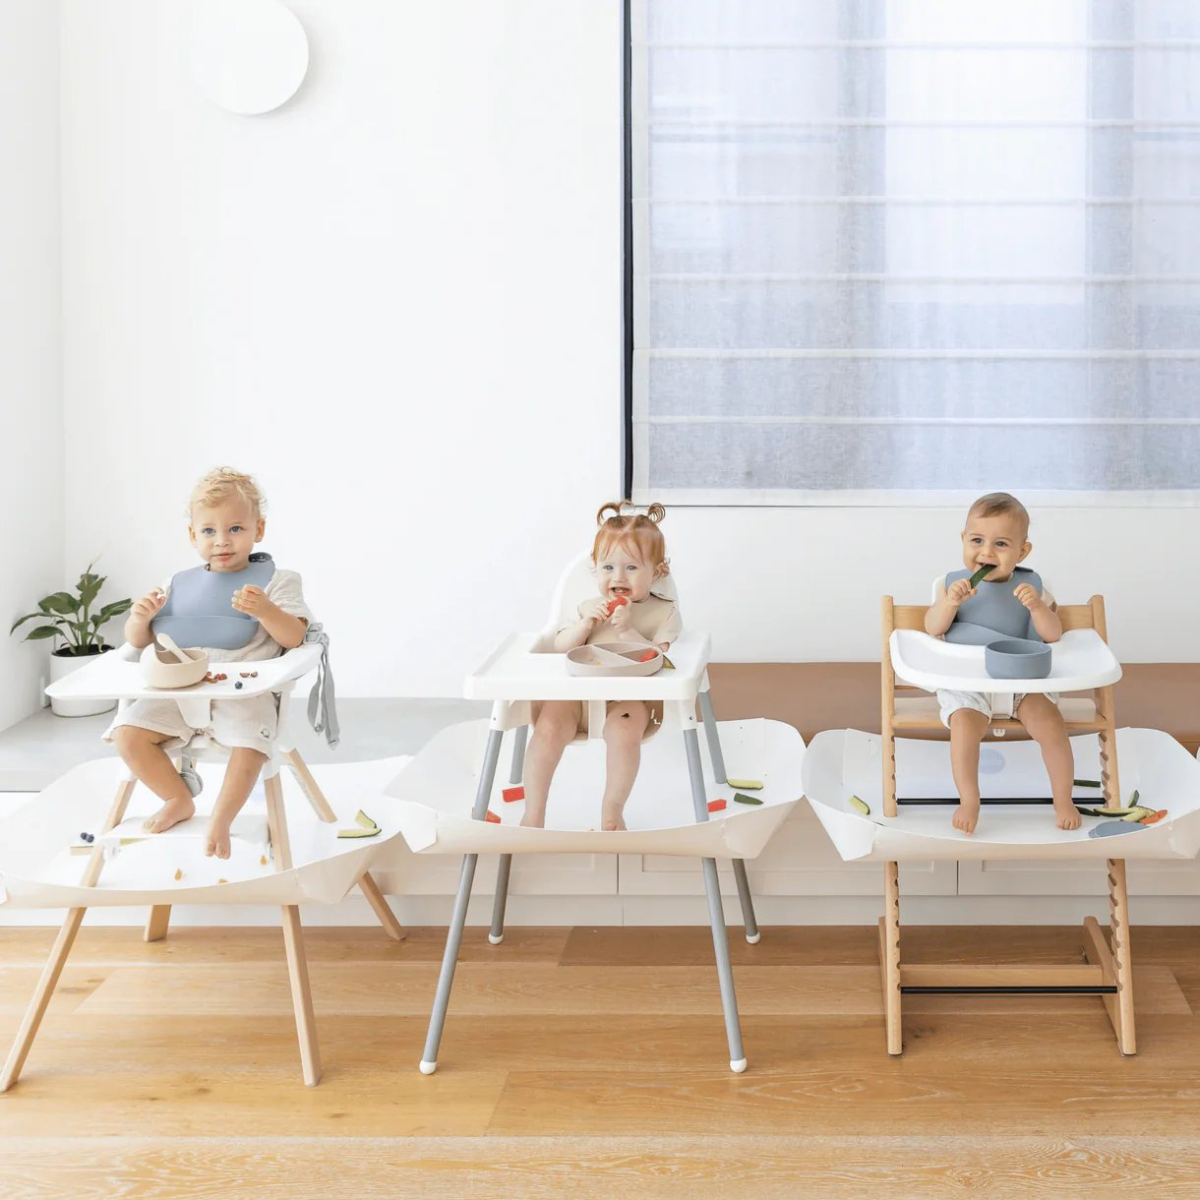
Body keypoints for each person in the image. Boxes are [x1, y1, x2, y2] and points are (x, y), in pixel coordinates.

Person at [106, 467, 312, 858]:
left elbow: (295, 638)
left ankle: (222, 817)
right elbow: (138, 642)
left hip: (244, 690)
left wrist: (266, 611)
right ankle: (176, 798)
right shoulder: (177, 584)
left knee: (251, 743)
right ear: (192, 536)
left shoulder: (278, 581)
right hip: (180, 687)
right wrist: (140, 618)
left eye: (235, 528)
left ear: (258, 530)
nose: (222, 541)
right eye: (208, 531)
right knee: (127, 734)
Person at [924, 492, 1078, 835]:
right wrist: (950, 604)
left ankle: (1063, 799)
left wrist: (1037, 607)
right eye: (977, 540)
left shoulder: (1034, 587)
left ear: (1022, 551)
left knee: (1052, 726)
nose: (987, 552)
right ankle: (969, 799)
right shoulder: (951, 585)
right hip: (969, 684)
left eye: (1001, 544)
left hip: (1022, 681)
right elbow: (933, 628)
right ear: (963, 540)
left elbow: (1053, 635)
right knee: (964, 728)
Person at [521, 501, 680, 831]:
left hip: (628, 699)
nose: (618, 577)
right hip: (575, 698)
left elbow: (660, 658)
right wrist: (583, 627)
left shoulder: (663, 612)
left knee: (624, 732)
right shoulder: (589, 607)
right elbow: (559, 647)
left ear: (657, 572)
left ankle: (612, 810)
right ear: (595, 568)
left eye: (631, 568)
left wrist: (629, 631)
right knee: (547, 729)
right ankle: (533, 812)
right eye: (608, 567)